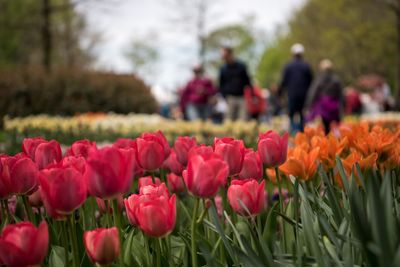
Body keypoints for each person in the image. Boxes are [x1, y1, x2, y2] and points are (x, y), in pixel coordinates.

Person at [278, 43, 313, 133]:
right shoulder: (306, 66)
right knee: (302, 115)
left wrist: (280, 93)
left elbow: (284, 81)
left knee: (292, 114)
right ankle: (301, 132)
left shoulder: (288, 66)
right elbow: (311, 82)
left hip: (292, 95)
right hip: (303, 95)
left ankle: (294, 132)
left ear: (293, 54)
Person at [305, 59, 343, 134]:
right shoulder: (336, 80)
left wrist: (309, 104)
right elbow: (341, 94)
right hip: (333, 104)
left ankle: (327, 136)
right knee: (334, 123)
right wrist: (343, 105)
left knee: (324, 124)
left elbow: (313, 92)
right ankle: (335, 138)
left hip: (323, 105)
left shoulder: (319, 79)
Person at [219, 46, 252, 121]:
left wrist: (251, 95)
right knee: (228, 120)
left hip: (242, 97)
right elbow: (221, 85)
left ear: (230, 54)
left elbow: (248, 81)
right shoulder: (223, 69)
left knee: (243, 120)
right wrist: (225, 96)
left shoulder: (241, 66)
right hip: (230, 98)